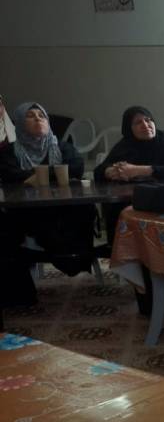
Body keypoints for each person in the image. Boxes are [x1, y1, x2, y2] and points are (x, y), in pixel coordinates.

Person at [0, 102, 94, 305]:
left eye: (41, 116)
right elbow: (9, 174)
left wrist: (37, 176)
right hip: (27, 213)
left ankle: (73, 259)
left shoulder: (62, 146)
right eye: (30, 116)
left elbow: (76, 167)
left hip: (62, 211)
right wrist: (55, 174)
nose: (38, 119)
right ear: (19, 123)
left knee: (83, 212)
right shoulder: (10, 152)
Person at [95, 106, 164, 183]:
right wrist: (110, 172)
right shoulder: (125, 144)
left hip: (163, 193)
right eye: (138, 122)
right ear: (129, 129)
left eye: (148, 120)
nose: (145, 125)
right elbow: (98, 171)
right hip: (128, 193)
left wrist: (137, 171)